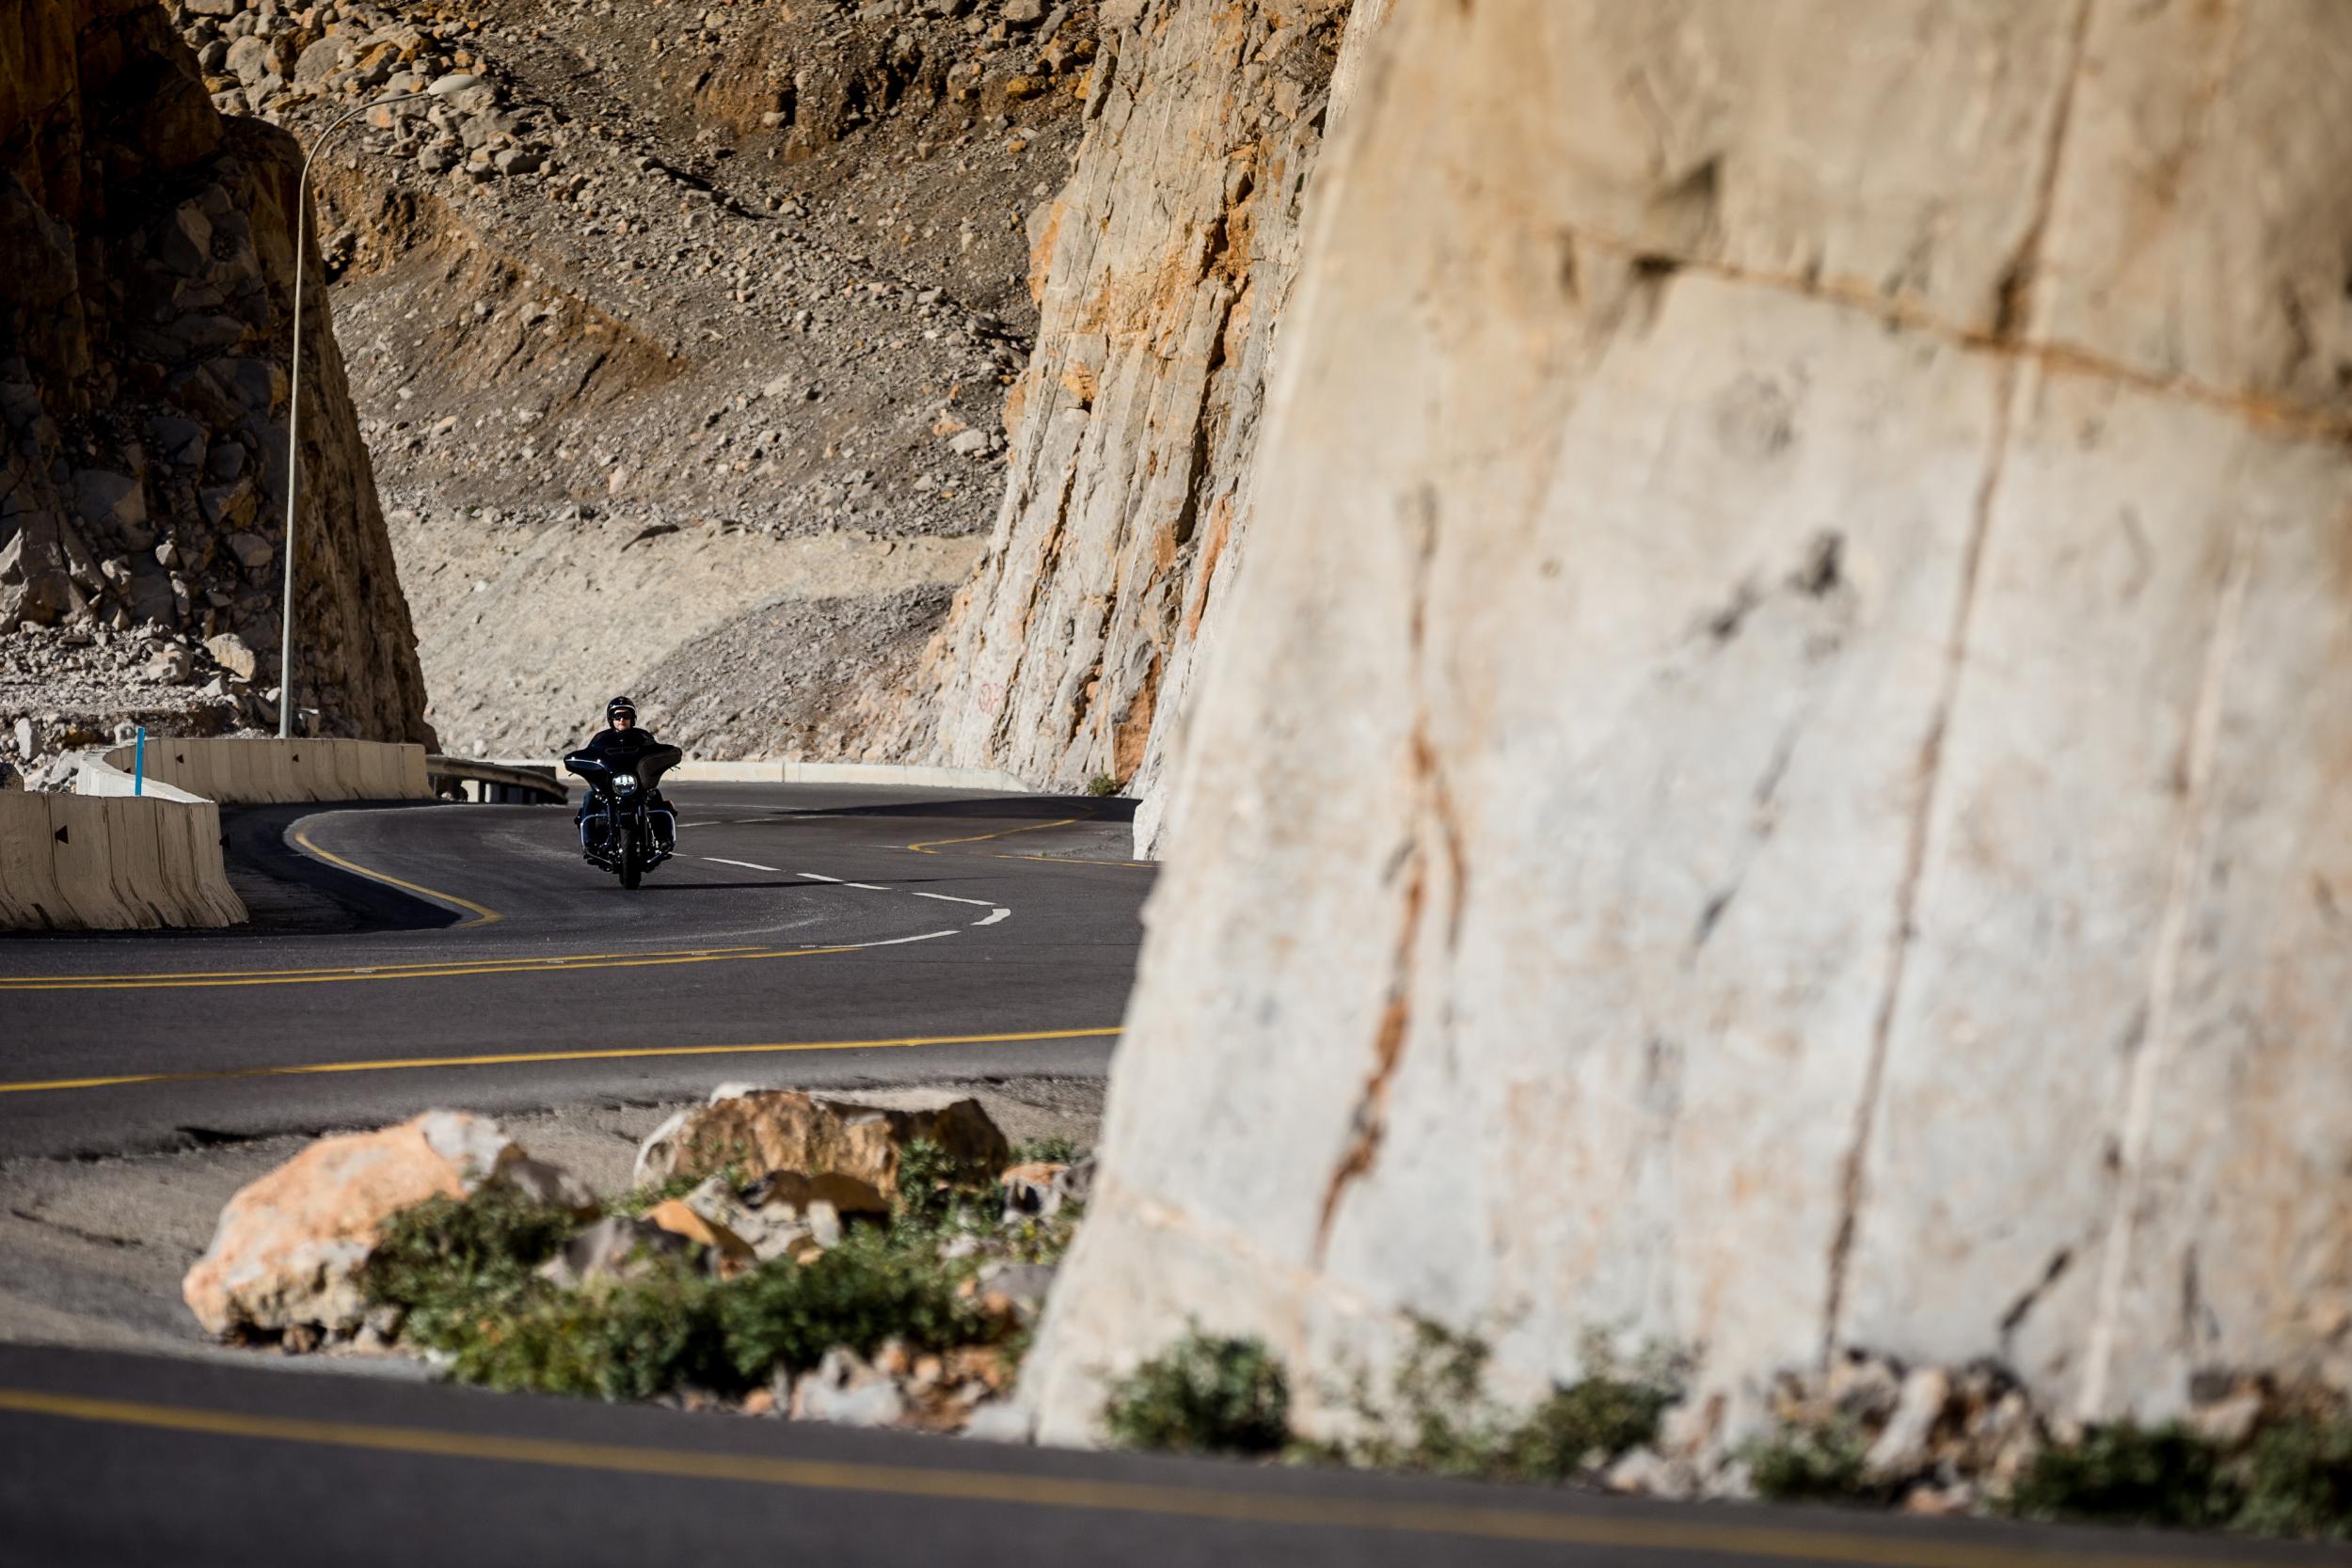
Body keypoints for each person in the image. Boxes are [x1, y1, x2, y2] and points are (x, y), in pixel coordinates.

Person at [564, 696, 682, 846]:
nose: (621, 719)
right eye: (617, 716)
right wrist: (577, 760)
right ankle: (590, 841)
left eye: (626, 715)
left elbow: (655, 752)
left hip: (637, 784)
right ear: (610, 719)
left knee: (654, 794)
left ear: (633, 718)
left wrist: (668, 754)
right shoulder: (601, 739)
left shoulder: (642, 737)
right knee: (590, 797)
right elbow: (590, 755)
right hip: (610, 786)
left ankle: (663, 838)